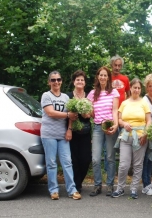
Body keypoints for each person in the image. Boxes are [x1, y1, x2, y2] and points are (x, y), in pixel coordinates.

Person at [40, 71, 81, 200]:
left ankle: (72, 190)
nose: (56, 82)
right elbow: (50, 113)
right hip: (49, 134)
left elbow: (72, 116)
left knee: (67, 162)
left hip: (63, 135)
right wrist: (68, 115)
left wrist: (69, 129)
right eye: (53, 80)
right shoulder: (46, 96)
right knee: (51, 163)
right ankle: (53, 190)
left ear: (61, 81)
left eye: (58, 79)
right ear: (49, 82)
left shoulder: (66, 98)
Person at [111, 78, 151, 199]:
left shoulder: (144, 103)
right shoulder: (124, 103)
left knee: (138, 164)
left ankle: (134, 189)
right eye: (135, 88)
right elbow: (119, 119)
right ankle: (120, 188)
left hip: (140, 137)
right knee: (124, 164)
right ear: (131, 88)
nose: (137, 90)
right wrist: (123, 124)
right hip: (126, 136)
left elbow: (148, 120)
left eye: (139, 88)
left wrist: (145, 133)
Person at [87, 66, 119, 197]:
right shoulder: (92, 94)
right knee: (95, 158)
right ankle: (97, 185)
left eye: (105, 75)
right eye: (101, 75)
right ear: (97, 77)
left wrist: (116, 125)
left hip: (110, 126)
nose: (103, 77)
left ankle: (110, 185)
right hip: (98, 127)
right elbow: (91, 113)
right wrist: (87, 111)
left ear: (108, 78)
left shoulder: (114, 93)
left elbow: (115, 110)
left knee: (110, 157)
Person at [66, 70, 92, 193]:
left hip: (86, 132)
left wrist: (87, 114)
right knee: (74, 159)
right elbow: (69, 115)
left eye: (82, 80)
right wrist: (69, 130)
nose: (80, 82)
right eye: (77, 80)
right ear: (74, 82)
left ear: (85, 82)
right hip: (73, 132)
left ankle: (79, 181)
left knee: (86, 159)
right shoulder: (68, 96)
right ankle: (76, 185)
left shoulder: (89, 96)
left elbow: (92, 114)